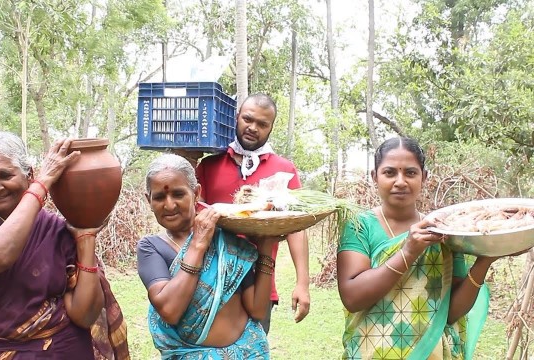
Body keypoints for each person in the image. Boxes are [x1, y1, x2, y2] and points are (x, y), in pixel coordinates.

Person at [0, 131, 129, 359]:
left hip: (63, 350)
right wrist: (43, 182)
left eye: (5, 175)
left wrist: (86, 237)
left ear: (28, 175)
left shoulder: (55, 230)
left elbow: (84, 315)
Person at [337, 137, 507, 359]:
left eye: (410, 173)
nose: (400, 181)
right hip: (373, 352)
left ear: (424, 177)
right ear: (374, 177)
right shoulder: (360, 226)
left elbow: (450, 312)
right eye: (389, 173)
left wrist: (485, 260)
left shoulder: (444, 230)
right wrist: (408, 252)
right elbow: (352, 297)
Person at [136, 153, 279, 359]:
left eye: (178, 194)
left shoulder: (225, 240)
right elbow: (170, 310)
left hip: (247, 352)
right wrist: (198, 245)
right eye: (159, 197)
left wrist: (266, 247)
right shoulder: (152, 247)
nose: (169, 205)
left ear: (196, 193)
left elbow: (257, 310)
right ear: (149, 200)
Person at [195, 93, 310, 333]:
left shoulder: (283, 170)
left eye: (262, 124)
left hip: (261, 283)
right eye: (248, 119)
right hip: (209, 279)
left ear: (271, 128)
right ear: (237, 117)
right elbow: (193, 218)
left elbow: (296, 228)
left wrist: (302, 283)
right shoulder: (209, 165)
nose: (253, 128)